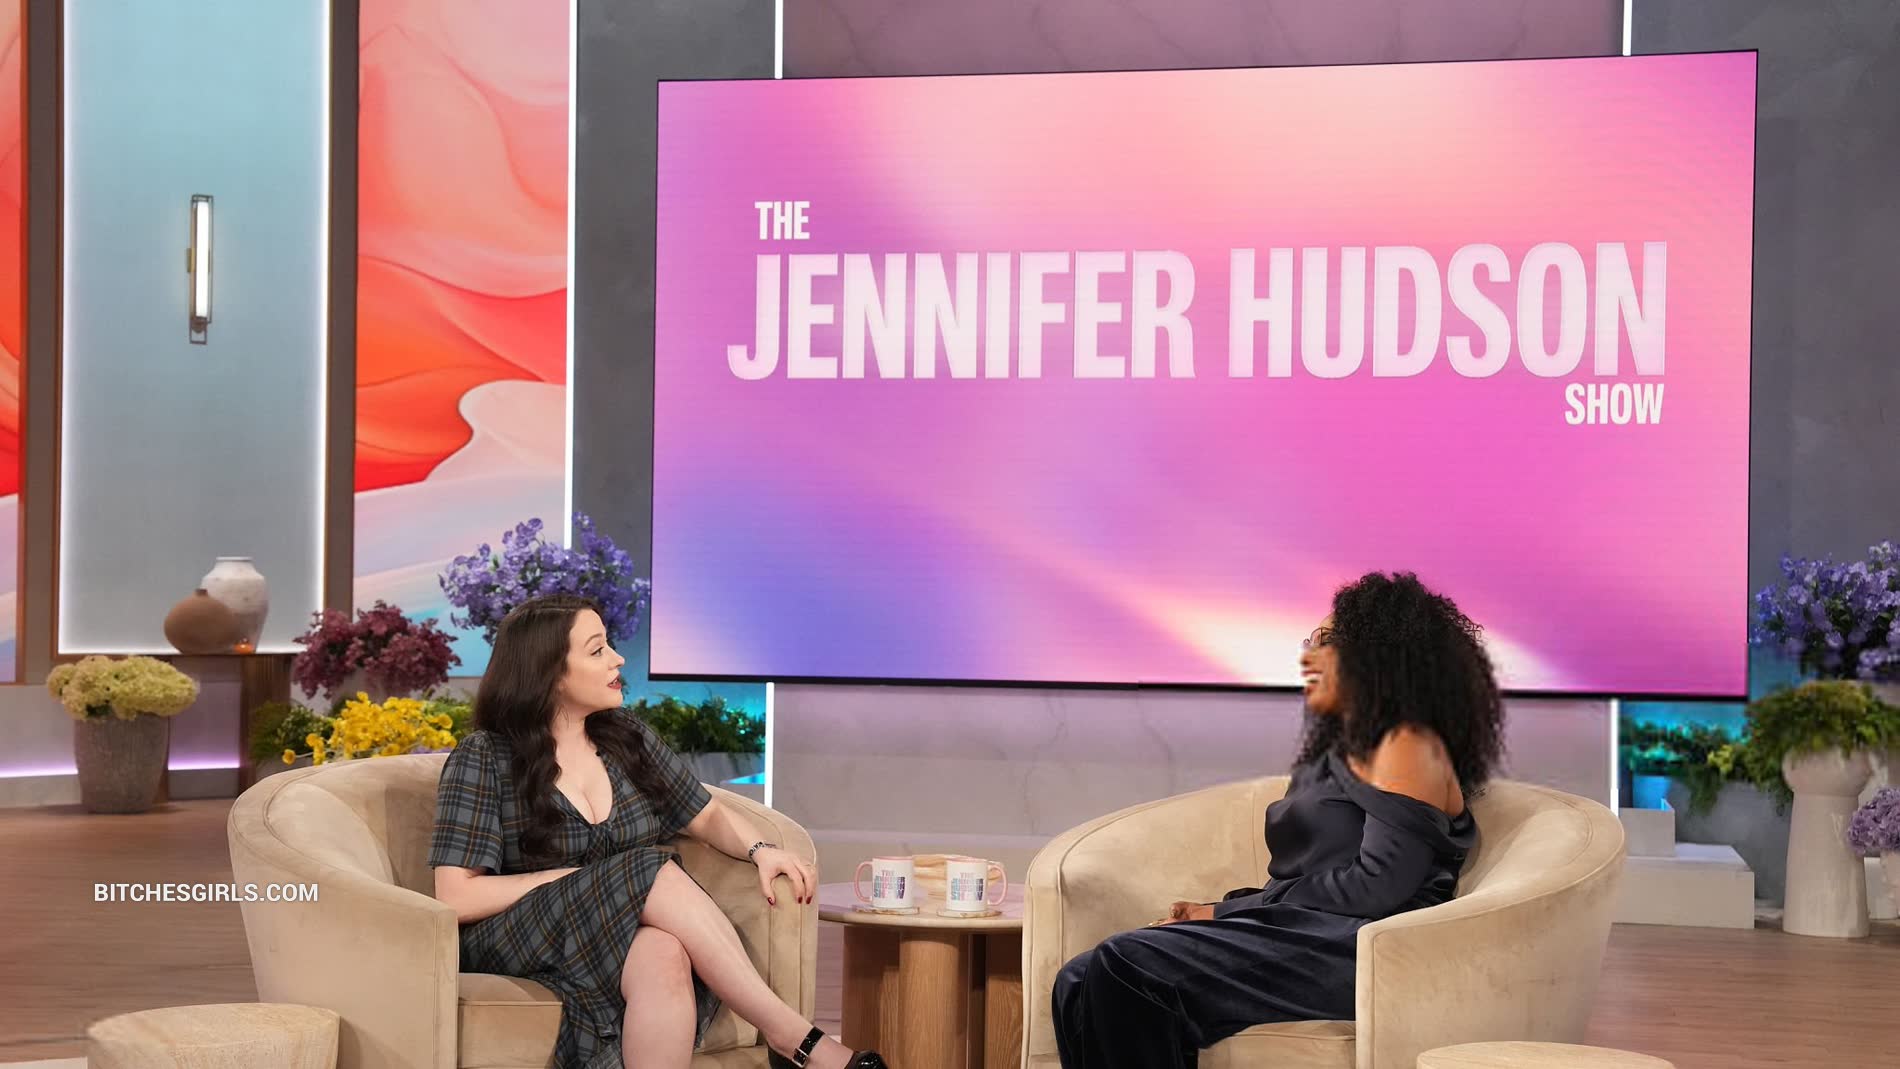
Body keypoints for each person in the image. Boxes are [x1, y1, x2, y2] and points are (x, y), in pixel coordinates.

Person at [1051, 572, 1505, 1069]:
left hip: (1362, 948)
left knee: (1127, 962)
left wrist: (1227, 914)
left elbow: (1379, 886)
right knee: (1077, 978)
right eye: (1310, 641)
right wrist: (1224, 910)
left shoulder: (1406, 745)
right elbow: (1311, 879)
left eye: (1326, 641)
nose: (1309, 656)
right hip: (1308, 931)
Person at [429, 594, 889, 1069]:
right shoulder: (485, 755)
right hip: (516, 938)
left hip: (614, 935)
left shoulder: (624, 737)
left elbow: (703, 814)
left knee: (663, 954)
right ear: (550, 672)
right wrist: (570, 879)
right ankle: (792, 1036)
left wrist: (760, 849)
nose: (617, 659)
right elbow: (456, 896)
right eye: (597, 650)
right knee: (650, 867)